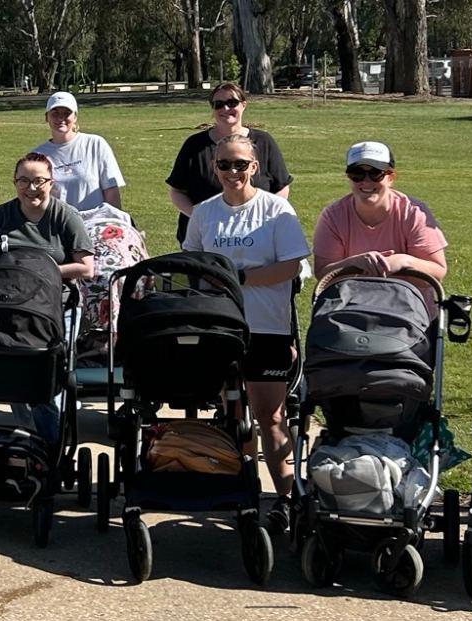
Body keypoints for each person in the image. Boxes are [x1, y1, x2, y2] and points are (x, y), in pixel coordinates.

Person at [180, 134, 308, 527]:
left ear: (254, 167)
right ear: (214, 169)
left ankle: (286, 497)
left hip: (267, 328)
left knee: (270, 416)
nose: (232, 172)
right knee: (233, 414)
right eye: (224, 165)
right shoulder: (203, 213)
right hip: (221, 327)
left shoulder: (276, 211)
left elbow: (291, 267)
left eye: (240, 164)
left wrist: (240, 278)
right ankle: (241, 487)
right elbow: (192, 264)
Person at [0, 152, 96, 447]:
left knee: (47, 376)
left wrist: (40, 272)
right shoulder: (1, 216)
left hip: (56, 304)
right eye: (24, 181)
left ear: (51, 183)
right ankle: (29, 436)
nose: (31, 188)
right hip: (12, 306)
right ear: (15, 183)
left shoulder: (65, 216)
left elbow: (86, 267)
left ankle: (52, 442)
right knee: (16, 369)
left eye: (39, 181)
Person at [167, 83, 293, 245]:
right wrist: (201, 217)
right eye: (218, 105)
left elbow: (282, 187)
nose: (225, 109)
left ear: (243, 105)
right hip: (203, 237)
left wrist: (263, 217)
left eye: (232, 103)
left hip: (257, 234)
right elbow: (177, 191)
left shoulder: (264, 142)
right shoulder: (195, 146)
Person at [312, 141, 447, 284]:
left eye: (376, 174)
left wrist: (403, 262)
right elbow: (322, 273)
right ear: (349, 178)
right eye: (357, 174)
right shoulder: (333, 216)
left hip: (406, 304)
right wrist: (354, 263)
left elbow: (437, 271)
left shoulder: (413, 213)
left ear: (391, 178)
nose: (366, 181)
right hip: (351, 302)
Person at [31, 91, 124, 211]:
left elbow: (111, 190)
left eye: (66, 113)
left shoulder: (95, 144)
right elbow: (34, 198)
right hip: (58, 226)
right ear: (46, 117)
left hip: (94, 223)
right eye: (55, 113)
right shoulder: (37, 156)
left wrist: (114, 222)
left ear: (75, 117)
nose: (60, 118)